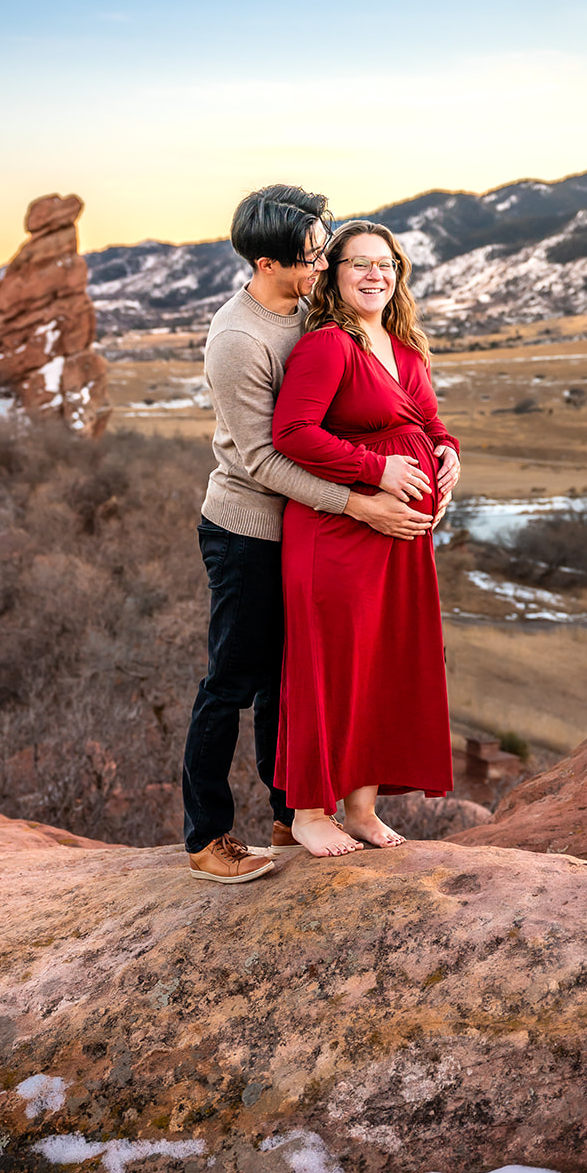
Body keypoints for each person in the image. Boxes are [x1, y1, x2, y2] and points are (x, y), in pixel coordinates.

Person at [182, 186, 434, 884]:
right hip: (246, 528)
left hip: (306, 525)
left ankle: (288, 813)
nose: (324, 264)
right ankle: (206, 837)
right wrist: (361, 502)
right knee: (233, 682)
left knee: (287, 682)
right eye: (312, 255)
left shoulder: (305, 312)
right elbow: (265, 458)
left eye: (325, 250)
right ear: (266, 263)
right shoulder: (238, 340)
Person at [271, 219, 461, 857]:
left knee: (381, 664)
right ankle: (308, 812)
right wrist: (376, 470)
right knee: (332, 666)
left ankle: (360, 809)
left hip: (401, 537)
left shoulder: (405, 346)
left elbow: (428, 422)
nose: (374, 274)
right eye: (359, 263)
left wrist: (447, 452)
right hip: (339, 533)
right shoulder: (328, 345)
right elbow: (292, 433)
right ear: (334, 273)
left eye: (385, 264)